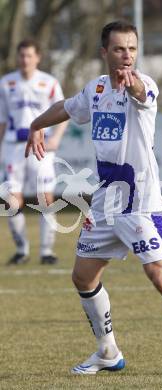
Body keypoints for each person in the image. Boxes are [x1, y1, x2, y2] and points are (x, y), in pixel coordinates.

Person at [25, 21, 162, 375]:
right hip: (105, 202)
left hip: (140, 202)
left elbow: (139, 94)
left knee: (159, 274)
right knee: (83, 277)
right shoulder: (96, 88)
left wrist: (130, 82)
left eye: (132, 49)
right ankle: (107, 352)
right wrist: (36, 125)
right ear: (104, 52)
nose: (127, 56)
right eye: (119, 49)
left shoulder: (144, 84)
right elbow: (68, 107)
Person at [0, 39, 68, 265]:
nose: (25, 60)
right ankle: (22, 250)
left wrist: (56, 137)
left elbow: (64, 111)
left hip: (41, 146)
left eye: (29, 55)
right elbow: (2, 120)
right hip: (13, 145)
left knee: (45, 198)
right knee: (11, 200)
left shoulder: (49, 82)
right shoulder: (6, 83)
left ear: (37, 57)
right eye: (21, 55)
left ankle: (47, 251)